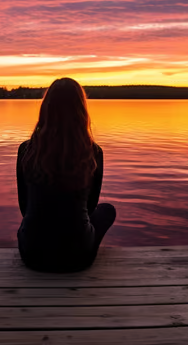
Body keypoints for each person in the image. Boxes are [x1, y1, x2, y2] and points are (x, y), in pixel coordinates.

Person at [16, 77, 116, 272]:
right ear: (81, 111)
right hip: (77, 257)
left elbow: (24, 205)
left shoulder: (26, 150)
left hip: (32, 254)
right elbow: (90, 206)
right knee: (106, 210)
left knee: (32, 220)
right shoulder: (93, 152)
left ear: (46, 109)